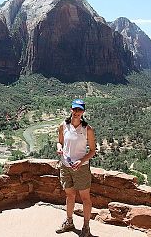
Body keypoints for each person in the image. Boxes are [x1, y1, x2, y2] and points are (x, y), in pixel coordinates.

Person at [56, 99, 96, 236]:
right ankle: (69, 221)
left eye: (79, 110)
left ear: (83, 112)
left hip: (81, 168)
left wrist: (81, 161)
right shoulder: (63, 125)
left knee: (85, 198)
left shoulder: (87, 129)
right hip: (65, 166)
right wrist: (59, 148)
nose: (77, 112)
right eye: (75, 109)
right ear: (71, 109)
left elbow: (92, 150)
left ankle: (86, 227)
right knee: (70, 195)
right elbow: (59, 142)